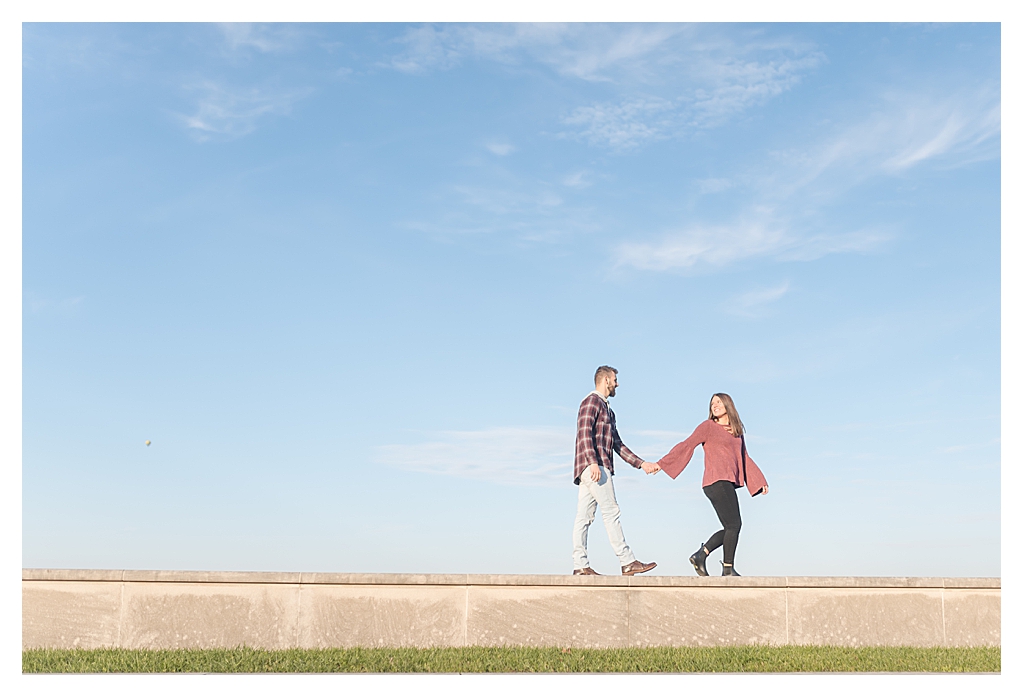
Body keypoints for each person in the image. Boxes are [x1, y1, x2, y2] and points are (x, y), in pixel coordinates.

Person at [655, 393, 768, 576]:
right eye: (712, 402)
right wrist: (662, 464)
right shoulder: (708, 427)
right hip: (716, 481)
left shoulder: (736, 432)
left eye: (718, 401)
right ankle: (727, 569)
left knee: (731, 527)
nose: (714, 405)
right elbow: (687, 444)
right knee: (734, 525)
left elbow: (744, 458)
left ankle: (702, 555)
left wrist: (759, 481)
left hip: (727, 482)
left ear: (727, 405)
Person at [572, 365, 660, 576]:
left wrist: (641, 464)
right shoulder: (591, 402)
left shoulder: (608, 410)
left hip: (595, 465)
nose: (617, 384)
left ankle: (580, 566)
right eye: (615, 380)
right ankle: (627, 560)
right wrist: (593, 462)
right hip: (595, 466)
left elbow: (617, 444)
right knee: (611, 512)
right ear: (606, 381)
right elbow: (584, 433)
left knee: (583, 517)